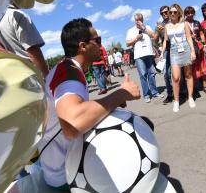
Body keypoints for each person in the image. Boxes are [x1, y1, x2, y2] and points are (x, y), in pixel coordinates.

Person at [38, 18, 140, 189]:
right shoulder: (69, 72)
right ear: (83, 46)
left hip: (65, 169)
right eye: (97, 40)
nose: (101, 45)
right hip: (66, 176)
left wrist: (110, 103)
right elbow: (72, 123)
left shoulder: (66, 68)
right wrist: (121, 93)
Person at [160, 4, 196, 112]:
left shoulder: (184, 24)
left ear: (179, 13)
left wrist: (193, 51)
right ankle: (176, 101)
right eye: (170, 12)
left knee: (188, 75)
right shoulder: (167, 26)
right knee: (175, 77)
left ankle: (190, 97)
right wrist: (162, 52)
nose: (172, 14)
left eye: (174, 12)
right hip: (174, 51)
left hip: (185, 47)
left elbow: (189, 38)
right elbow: (165, 40)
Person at [0, 3, 49, 77]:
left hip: (9, 77)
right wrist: (47, 76)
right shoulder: (17, 15)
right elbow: (33, 51)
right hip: (30, 76)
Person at [126, 13, 164, 103]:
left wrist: (144, 28)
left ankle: (154, 92)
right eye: (137, 19)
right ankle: (146, 95)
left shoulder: (147, 27)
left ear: (143, 19)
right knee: (143, 75)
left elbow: (154, 36)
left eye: (140, 19)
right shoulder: (131, 30)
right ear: (134, 20)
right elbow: (127, 44)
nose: (139, 21)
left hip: (149, 54)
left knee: (152, 74)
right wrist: (136, 38)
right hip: (139, 56)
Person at [184, 6, 206, 93]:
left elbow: (202, 34)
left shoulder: (197, 22)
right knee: (192, 68)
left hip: (199, 46)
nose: (190, 14)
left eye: (192, 12)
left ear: (194, 13)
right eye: (188, 13)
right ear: (185, 14)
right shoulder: (184, 24)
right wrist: (189, 36)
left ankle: (205, 86)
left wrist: (204, 44)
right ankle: (194, 89)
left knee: (202, 66)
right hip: (189, 48)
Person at [154, 5, 174, 104]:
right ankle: (170, 94)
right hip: (166, 50)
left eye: (166, 12)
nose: (164, 14)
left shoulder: (175, 20)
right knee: (167, 74)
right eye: (162, 13)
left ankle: (183, 91)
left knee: (181, 71)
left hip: (177, 48)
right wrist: (158, 32)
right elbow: (155, 41)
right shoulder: (159, 25)